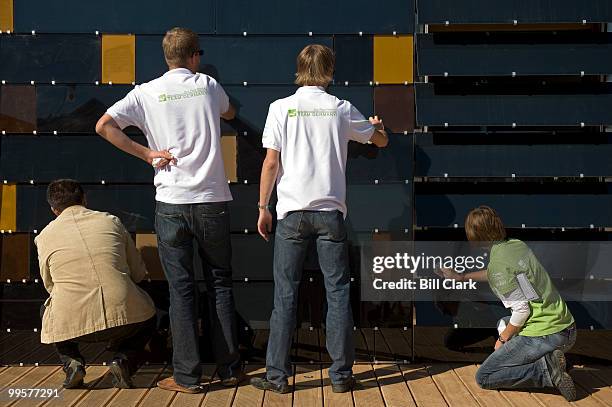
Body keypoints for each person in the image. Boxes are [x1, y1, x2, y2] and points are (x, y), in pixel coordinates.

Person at [95, 27, 241, 393]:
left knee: (181, 290)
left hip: (171, 203)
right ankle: (229, 370)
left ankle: (188, 377)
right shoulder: (207, 85)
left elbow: (104, 126)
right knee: (220, 284)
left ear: (166, 57)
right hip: (211, 201)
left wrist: (147, 153)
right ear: (194, 56)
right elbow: (230, 111)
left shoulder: (147, 92)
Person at [250, 44, 389, 394]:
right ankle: (341, 377)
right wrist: (377, 127)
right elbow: (381, 142)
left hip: (292, 214)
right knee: (338, 292)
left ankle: (277, 377)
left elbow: (270, 163)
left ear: (299, 69)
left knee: (285, 295)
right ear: (329, 70)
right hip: (330, 215)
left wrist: (263, 207)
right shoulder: (340, 108)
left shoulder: (280, 108)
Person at [440, 206, 577, 401]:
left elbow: (521, 311)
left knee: (485, 376)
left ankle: (547, 371)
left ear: (475, 235)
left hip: (545, 334)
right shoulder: (515, 245)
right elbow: (499, 272)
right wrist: (461, 276)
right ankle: (553, 360)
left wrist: (502, 340)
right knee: (502, 323)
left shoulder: (499, 266)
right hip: (567, 329)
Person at [35, 179, 157, 389]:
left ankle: (72, 362)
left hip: (71, 324)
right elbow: (138, 273)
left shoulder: (44, 236)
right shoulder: (111, 221)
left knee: (46, 311)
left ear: (54, 209)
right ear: (84, 199)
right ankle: (123, 360)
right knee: (150, 315)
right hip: (126, 318)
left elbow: (50, 286)